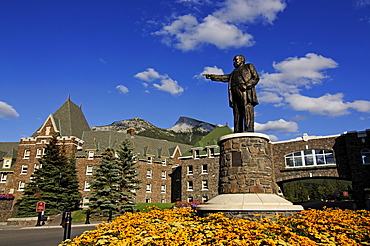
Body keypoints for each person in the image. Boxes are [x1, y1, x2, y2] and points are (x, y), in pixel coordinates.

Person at [205, 55, 259, 133]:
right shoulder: (234, 72)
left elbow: (256, 78)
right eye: (234, 60)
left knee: (246, 109)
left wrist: (246, 85)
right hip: (234, 91)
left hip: (245, 91)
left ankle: (248, 129)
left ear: (242, 60)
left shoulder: (249, 66)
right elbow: (224, 77)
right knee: (237, 112)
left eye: (236, 60)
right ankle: (237, 130)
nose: (234, 62)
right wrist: (212, 77)